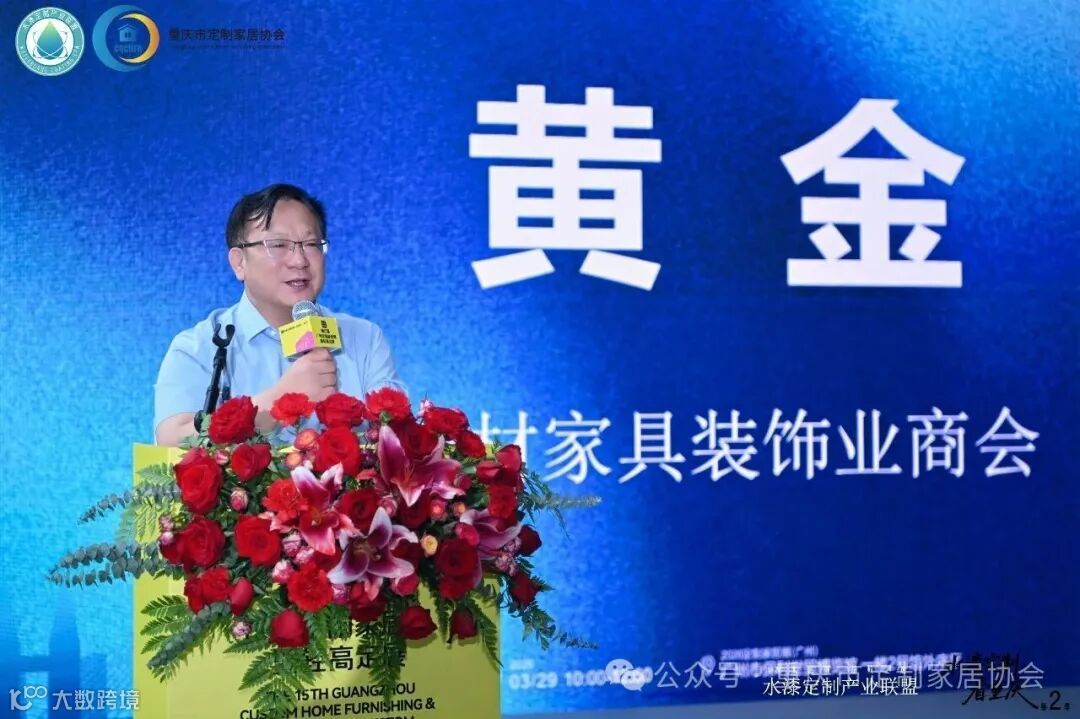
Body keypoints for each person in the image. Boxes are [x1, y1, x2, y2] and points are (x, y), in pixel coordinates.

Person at [153, 183, 406, 446]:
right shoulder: (200, 347)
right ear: (239, 263)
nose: (299, 260)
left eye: (311, 244)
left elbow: (399, 441)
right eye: (278, 245)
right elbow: (171, 442)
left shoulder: (363, 338)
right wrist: (279, 400)